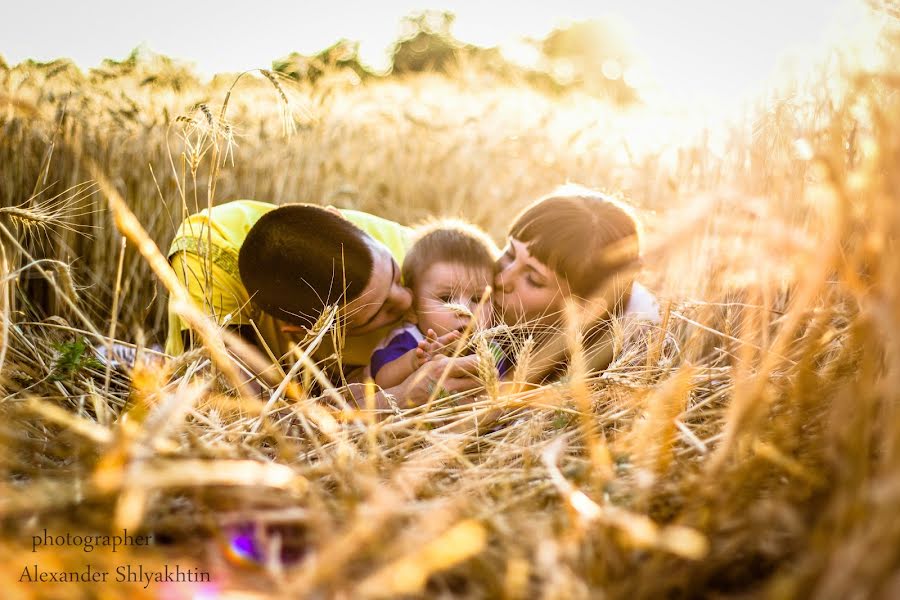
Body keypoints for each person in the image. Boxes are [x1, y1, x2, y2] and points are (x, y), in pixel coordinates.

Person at [164, 200, 482, 407]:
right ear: (306, 329)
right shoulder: (208, 257)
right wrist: (399, 397)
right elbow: (251, 413)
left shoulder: (422, 254)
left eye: (396, 276)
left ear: (336, 216)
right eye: (379, 311)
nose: (408, 298)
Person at [493, 184, 663, 381]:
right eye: (509, 253)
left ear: (585, 308)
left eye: (533, 279)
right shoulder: (464, 282)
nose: (501, 279)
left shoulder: (616, 376)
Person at [369, 220, 503, 389]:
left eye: (477, 299)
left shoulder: (492, 346)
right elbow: (381, 380)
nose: (466, 310)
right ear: (413, 309)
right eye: (447, 298)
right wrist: (413, 362)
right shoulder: (412, 341)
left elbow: (507, 385)